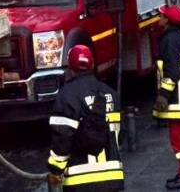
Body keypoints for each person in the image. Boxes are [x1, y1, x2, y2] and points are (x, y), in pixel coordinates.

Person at [47, 45, 125, 191]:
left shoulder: (66, 96)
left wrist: (55, 170)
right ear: (93, 64)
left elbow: (62, 139)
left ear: (70, 67)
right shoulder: (111, 94)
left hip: (79, 180)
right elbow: (119, 136)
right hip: (113, 177)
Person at [153, 4, 180, 189]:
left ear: (168, 21)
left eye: (161, 17)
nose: (158, 19)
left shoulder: (170, 41)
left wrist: (163, 95)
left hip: (178, 100)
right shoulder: (177, 38)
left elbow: (172, 72)